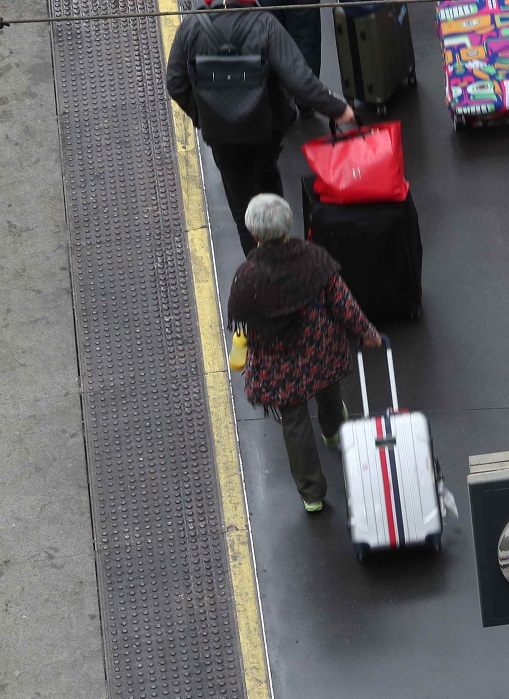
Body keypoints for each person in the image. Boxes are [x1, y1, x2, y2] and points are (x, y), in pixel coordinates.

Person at [226, 194, 381, 513]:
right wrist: (367, 333)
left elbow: (246, 324)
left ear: (255, 235)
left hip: (280, 364)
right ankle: (335, 434)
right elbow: (343, 303)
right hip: (321, 351)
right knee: (329, 392)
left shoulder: (249, 277)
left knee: (294, 423)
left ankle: (312, 494)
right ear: (288, 225)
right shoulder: (314, 259)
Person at [166, 0, 356, 255]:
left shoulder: (191, 28)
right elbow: (301, 80)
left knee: (240, 204)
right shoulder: (264, 24)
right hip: (264, 129)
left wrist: (202, 117)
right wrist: (337, 108)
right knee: (268, 181)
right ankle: (282, 252)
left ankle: (257, 263)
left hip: (220, 137)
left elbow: (175, 83)